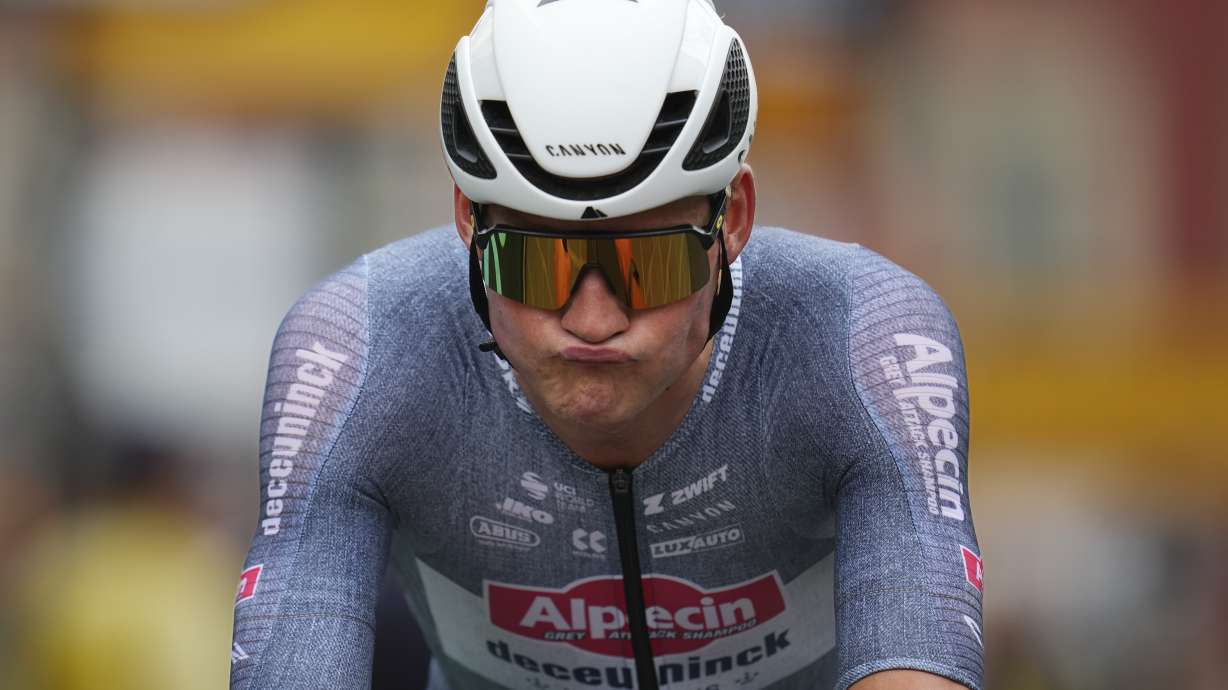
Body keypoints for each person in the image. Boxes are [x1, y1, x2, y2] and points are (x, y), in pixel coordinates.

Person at [229, 1, 984, 689]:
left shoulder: (860, 335)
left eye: (648, 265)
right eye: (534, 263)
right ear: (468, 220)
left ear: (735, 222)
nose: (592, 321)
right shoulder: (361, 349)